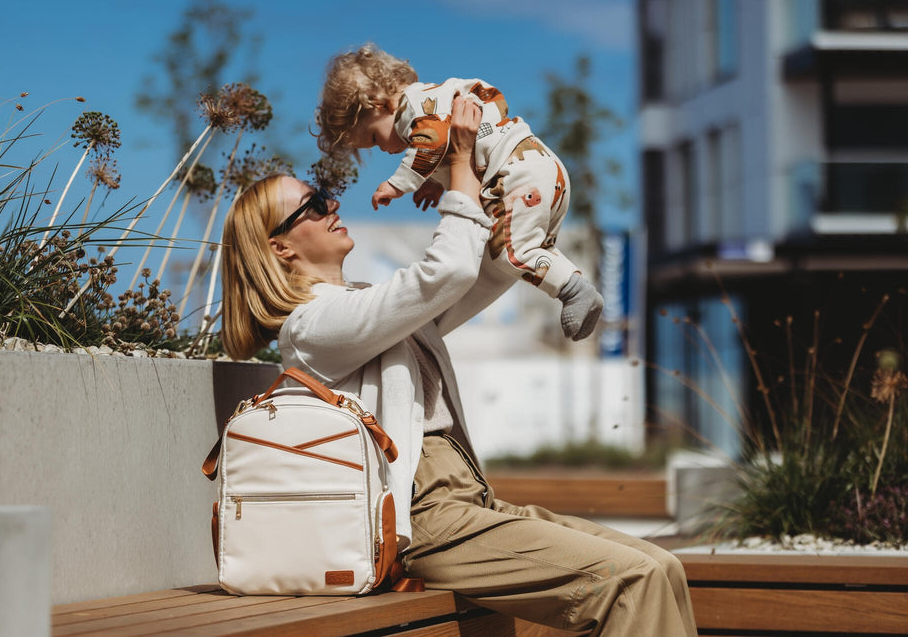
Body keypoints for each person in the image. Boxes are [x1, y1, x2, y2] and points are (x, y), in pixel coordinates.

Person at [219, 96, 697, 635]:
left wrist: (519, 194)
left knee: (664, 566)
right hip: (423, 517)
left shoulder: (367, 307)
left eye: (326, 196)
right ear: (280, 248)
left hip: (466, 499)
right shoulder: (311, 328)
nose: (333, 206)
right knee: (630, 578)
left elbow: (476, 274)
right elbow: (444, 272)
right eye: (314, 203)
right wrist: (459, 165)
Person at [314, 43, 603, 341]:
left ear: (379, 103)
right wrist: (434, 182)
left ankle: (572, 290)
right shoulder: (436, 98)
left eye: (375, 139)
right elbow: (452, 144)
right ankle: (576, 287)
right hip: (542, 168)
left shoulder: (413, 108)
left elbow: (433, 141)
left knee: (507, 253)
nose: (385, 150)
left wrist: (398, 183)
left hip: (516, 176)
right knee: (534, 246)